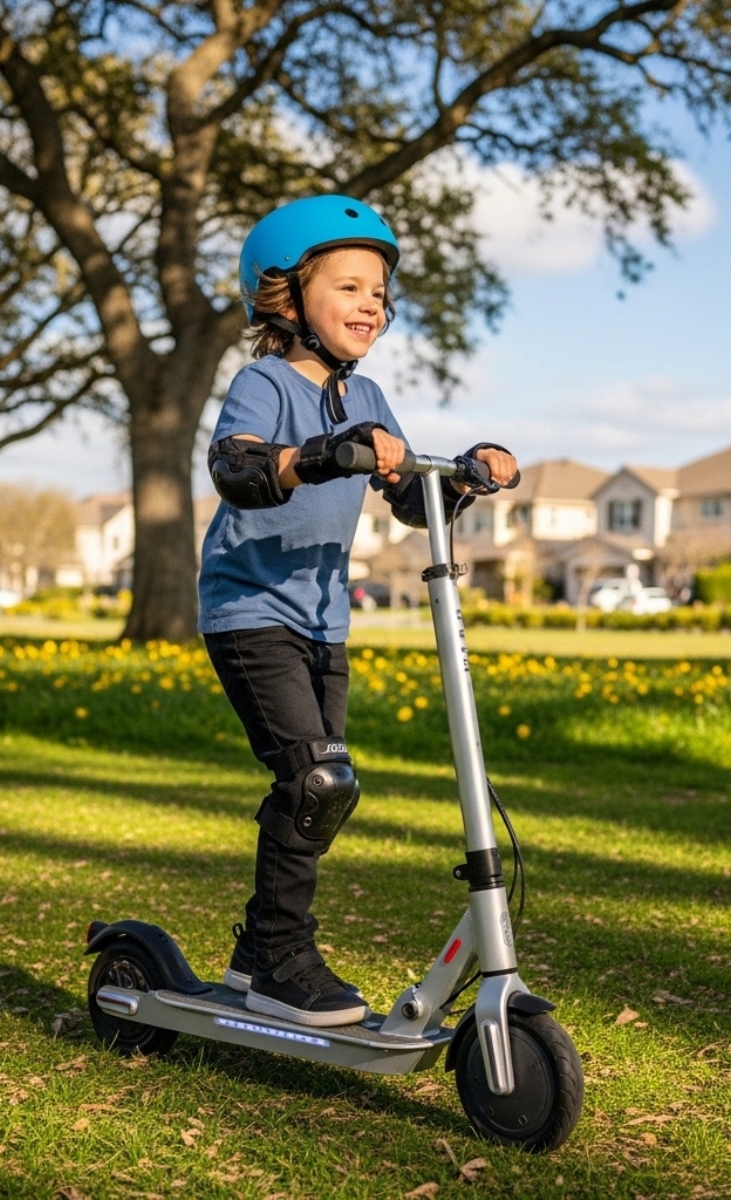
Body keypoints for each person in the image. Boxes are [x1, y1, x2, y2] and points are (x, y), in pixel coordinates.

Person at [199, 196, 516, 1028]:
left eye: (378, 291)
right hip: (249, 610)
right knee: (317, 777)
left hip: (323, 621)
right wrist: (316, 455)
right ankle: (280, 958)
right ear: (286, 295)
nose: (371, 303)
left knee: (325, 790)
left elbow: (410, 497)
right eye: (349, 286)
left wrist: (468, 474)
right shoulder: (265, 383)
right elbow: (236, 468)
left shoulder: (367, 394)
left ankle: (256, 952)